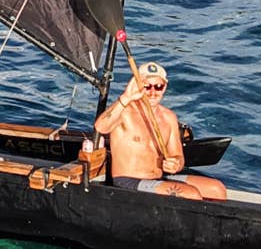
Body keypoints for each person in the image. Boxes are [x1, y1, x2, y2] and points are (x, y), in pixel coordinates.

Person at [92, 62, 225, 200]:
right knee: (191, 194)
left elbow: (178, 155)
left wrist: (176, 164)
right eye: (147, 87)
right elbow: (101, 127)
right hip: (128, 181)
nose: (153, 92)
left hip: (160, 177)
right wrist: (126, 97)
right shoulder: (124, 111)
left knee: (217, 189)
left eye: (158, 87)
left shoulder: (169, 117)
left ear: (165, 87)